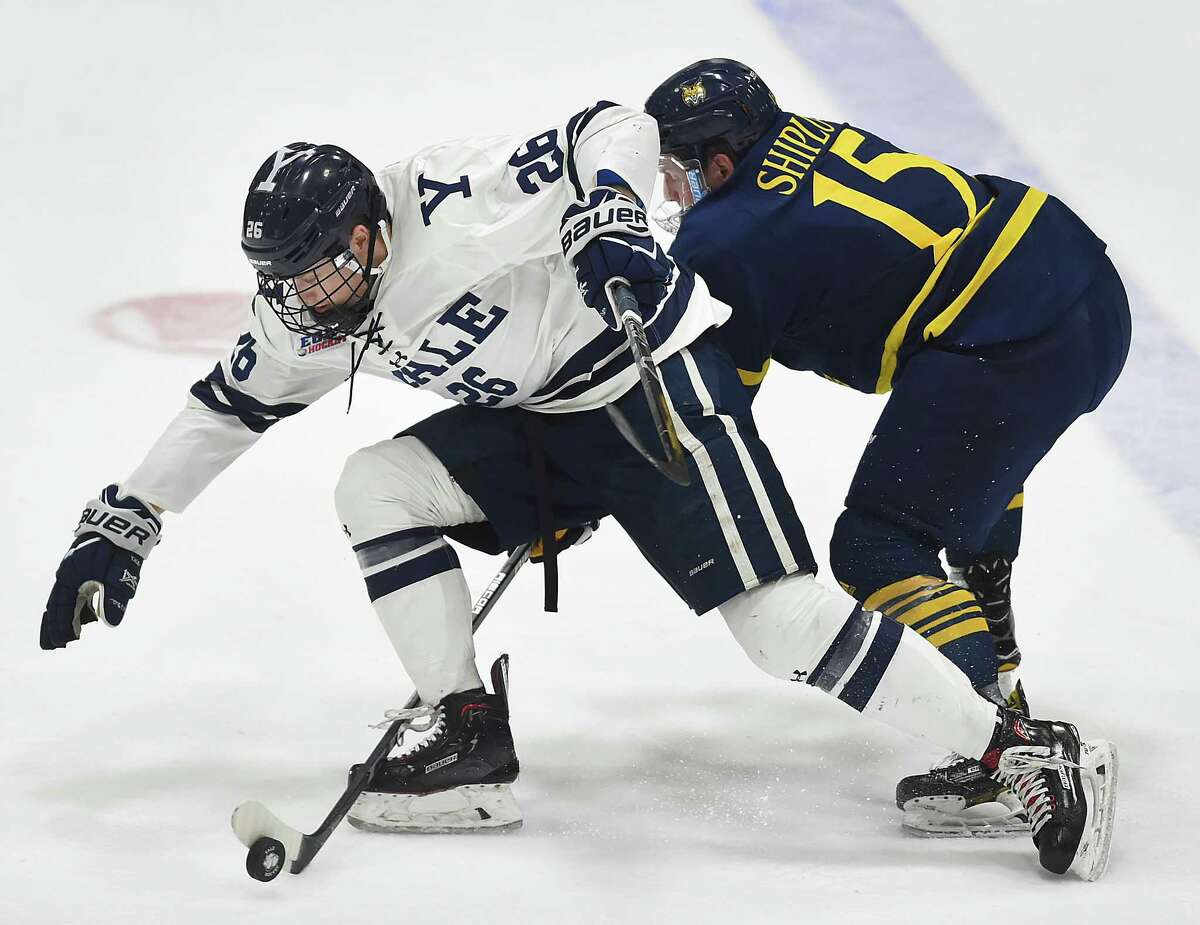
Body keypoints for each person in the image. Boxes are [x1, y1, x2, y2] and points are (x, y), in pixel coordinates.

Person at [41, 100, 1115, 877]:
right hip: (543, 419)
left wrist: (606, 209)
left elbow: (608, 123)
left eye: (323, 268)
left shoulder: (450, 208)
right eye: (287, 279)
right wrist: (128, 521)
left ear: (370, 231)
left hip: (651, 385)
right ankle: (466, 728)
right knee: (377, 484)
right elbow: (226, 407)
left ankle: (1020, 753)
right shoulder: (302, 313)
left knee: (774, 622)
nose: (308, 298)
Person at [645, 59, 1131, 835]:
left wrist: (609, 474)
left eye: (676, 172)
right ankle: (991, 640)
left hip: (1008, 334)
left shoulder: (722, 236)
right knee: (961, 462)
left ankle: (1003, 751)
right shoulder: (793, 138)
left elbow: (716, 401)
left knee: (877, 546)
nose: (669, 193)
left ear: (720, 163)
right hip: (1076, 277)